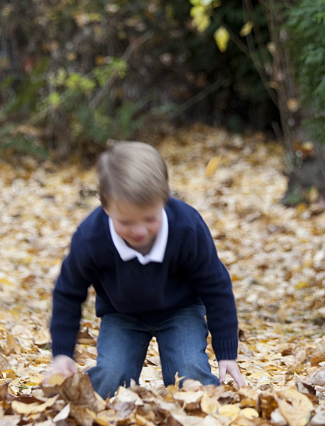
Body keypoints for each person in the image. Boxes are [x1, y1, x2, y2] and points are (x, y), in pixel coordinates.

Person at [43, 141, 245, 396]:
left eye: (150, 219)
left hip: (180, 311)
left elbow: (216, 285)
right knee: (110, 376)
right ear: (105, 207)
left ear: (164, 200)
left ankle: (204, 408)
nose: (139, 231)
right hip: (121, 314)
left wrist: (226, 352)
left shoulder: (187, 228)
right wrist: (62, 353)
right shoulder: (91, 237)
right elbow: (68, 291)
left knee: (190, 376)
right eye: (126, 222)